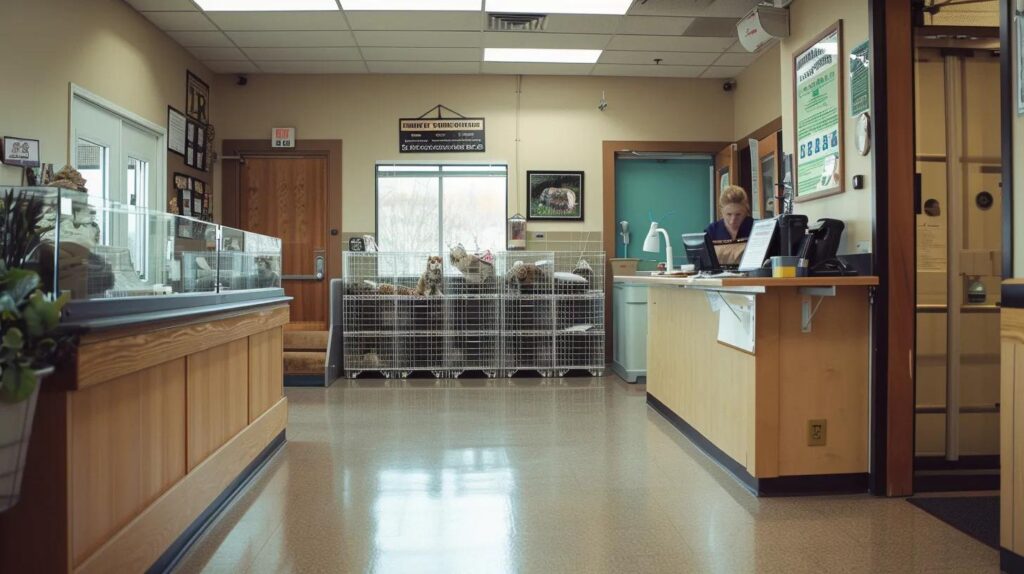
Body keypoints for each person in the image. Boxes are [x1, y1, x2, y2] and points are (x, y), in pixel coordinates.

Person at [704, 185, 755, 266]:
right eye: (729, 214)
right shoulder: (712, 231)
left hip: (752, 277)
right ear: (721, 211)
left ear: (746, 210)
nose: (732, 221)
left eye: (738, 215)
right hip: (720, 277)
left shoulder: (756, 228)